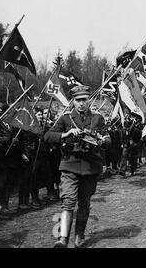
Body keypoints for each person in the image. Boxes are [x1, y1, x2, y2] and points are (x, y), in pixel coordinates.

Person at [45, 85, 111, 248]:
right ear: (73, 102)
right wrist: (65, 135)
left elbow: (108, 139)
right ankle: (62, 240)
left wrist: (102, 140)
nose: (81, 103)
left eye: (84, 100)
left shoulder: (97, 118)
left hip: (90, 167)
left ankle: (80, 234)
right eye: (78, 100)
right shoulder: (66, 118)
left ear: (89, 100)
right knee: (68, 201)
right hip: (70, 165)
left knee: (84, 202)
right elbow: (47, 136)